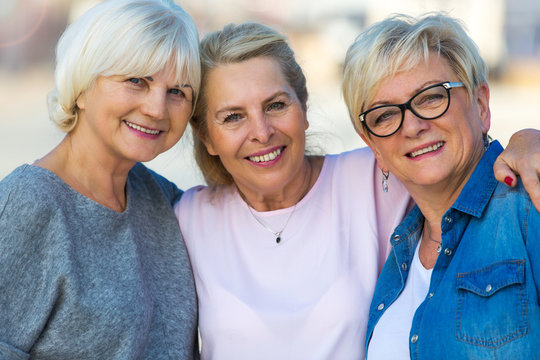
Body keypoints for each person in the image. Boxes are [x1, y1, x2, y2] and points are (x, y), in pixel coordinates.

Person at [175, 22, 540, 359]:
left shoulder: (374, 178)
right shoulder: (186, 216)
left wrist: (527, 141)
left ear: (304, 109)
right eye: (233, 116)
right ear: (205, 135)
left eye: (276, 105)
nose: (261, 131)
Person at [0, 0, 200, 358]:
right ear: (82, 85)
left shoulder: (163, 199)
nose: (157, 109)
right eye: (136, 81)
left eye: (177, 92)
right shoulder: (28, 205)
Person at [341, 13, 540, 359]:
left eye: (432, 97)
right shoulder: (397, 256)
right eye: (385, 115)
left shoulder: (528, 208)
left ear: (481, 105)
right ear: (373, 146)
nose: (412, 126)